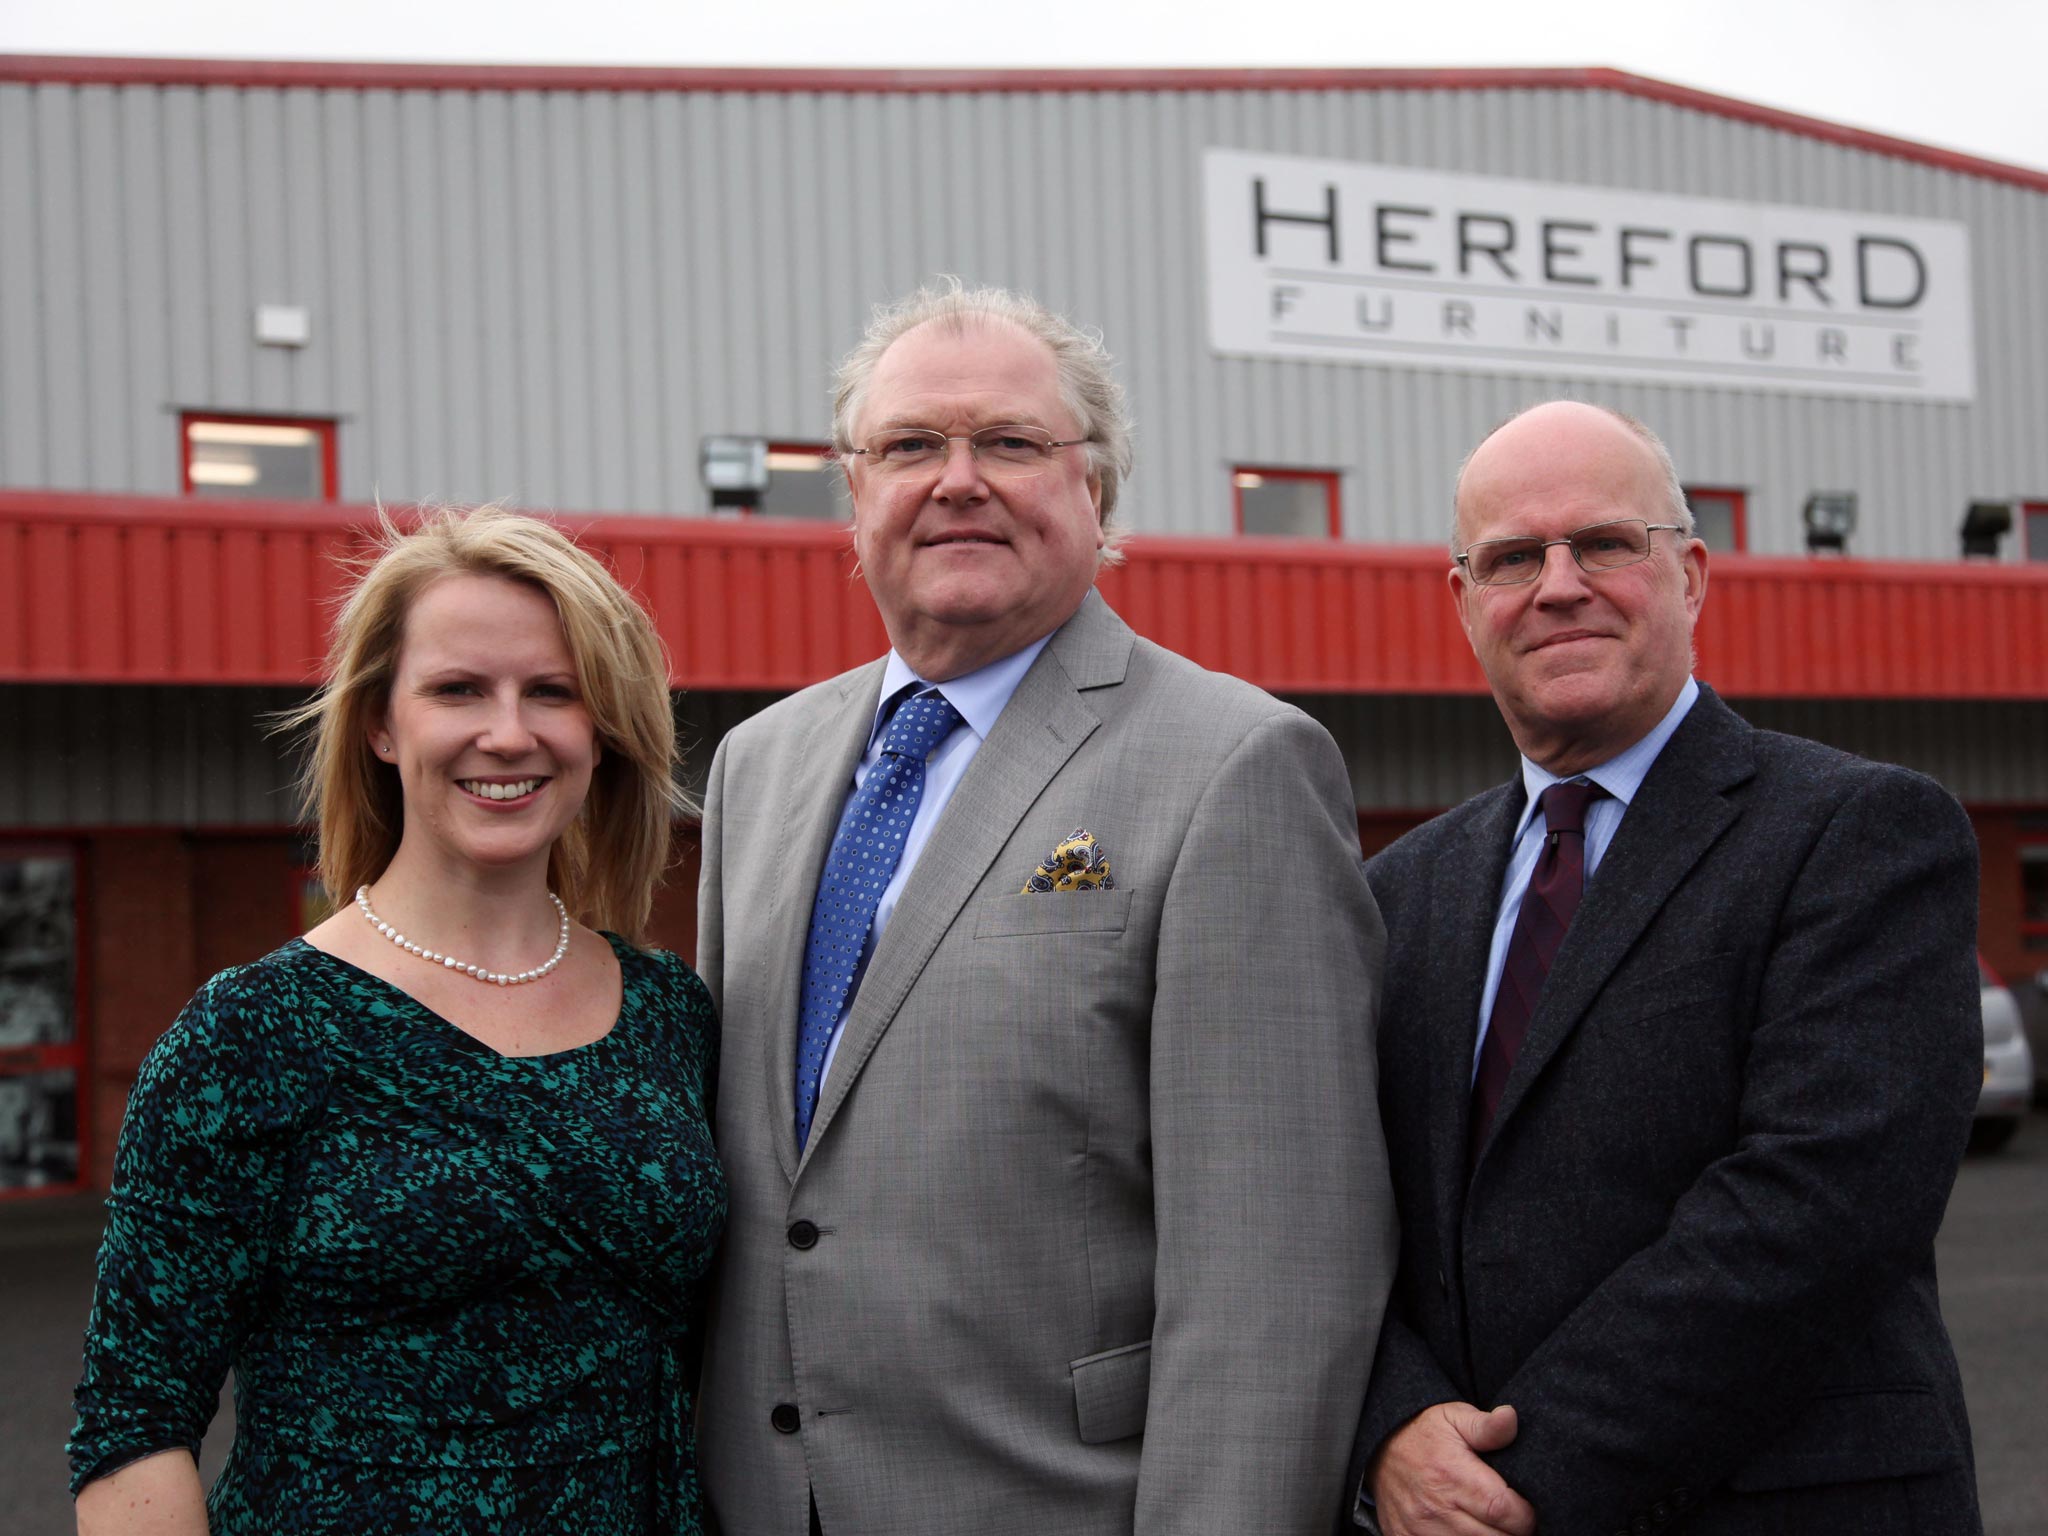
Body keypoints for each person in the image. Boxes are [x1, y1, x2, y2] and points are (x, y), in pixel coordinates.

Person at [694, 279, 1396, 1536]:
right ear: (853, 494)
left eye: (1009, 443)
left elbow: (1276, 1280)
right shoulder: (758, 765)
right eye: (909, 445)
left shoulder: (1234, 764)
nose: (955, 479)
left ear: (1096, 490)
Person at [1346, 401, 1982, 1536]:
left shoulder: (1858, 833)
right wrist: (1393, 1427)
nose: (1556, 586)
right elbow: (1342, 1206)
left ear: (1689, 576)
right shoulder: (1401, 889)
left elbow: (1817, 1210)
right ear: (1462, 604)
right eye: (1509, 558)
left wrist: (1506, 1485)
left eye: (1601, 544)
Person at [70, 507, 726, 1534]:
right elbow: (131, 1428)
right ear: (380, 723)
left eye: (551, 692)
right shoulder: (250, 1035)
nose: (507, 732)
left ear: (601, 732)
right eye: (458, 689)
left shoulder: (670, 1015)